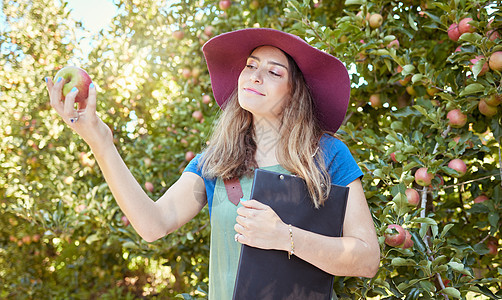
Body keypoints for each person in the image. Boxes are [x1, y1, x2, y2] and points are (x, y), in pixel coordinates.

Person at [46, 28, 380, 299]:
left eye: (274, 72)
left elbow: (366, 259)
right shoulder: (217, 162)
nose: (255, 76)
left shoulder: (327, 154)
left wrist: (284, 236)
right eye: (250, 66)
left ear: (295, 93)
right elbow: (153, 225)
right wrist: (99, 139)